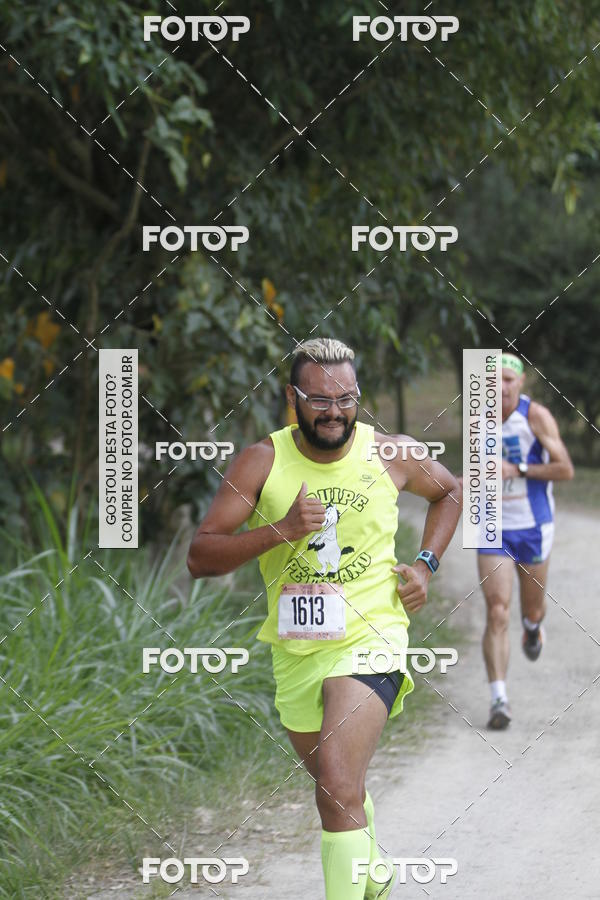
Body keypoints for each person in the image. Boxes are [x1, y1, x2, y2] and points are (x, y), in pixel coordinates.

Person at [187, 337, 462, 898]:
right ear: (293, 398)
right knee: (340, 789)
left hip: (373, 633)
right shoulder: (262, 461)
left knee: (336, 782)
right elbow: (201, 555)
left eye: (346, 399)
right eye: (319, 400)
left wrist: (426, 566)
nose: (334, 412)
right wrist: (281, 531)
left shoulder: (392, 454)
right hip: (296, 647)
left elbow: (450, 493)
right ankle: (374, 871)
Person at [477, 353, 574, 729]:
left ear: (521, 383)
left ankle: (533, 629)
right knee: (497, 609)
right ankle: (499, 699)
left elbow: (565, 469)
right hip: (492, 524)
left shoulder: (537, 417)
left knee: (531, 610)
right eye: (493, 380)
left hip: (533, 526)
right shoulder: (478, 419)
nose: (500, 387)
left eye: (508, 380)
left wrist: (516, 469)